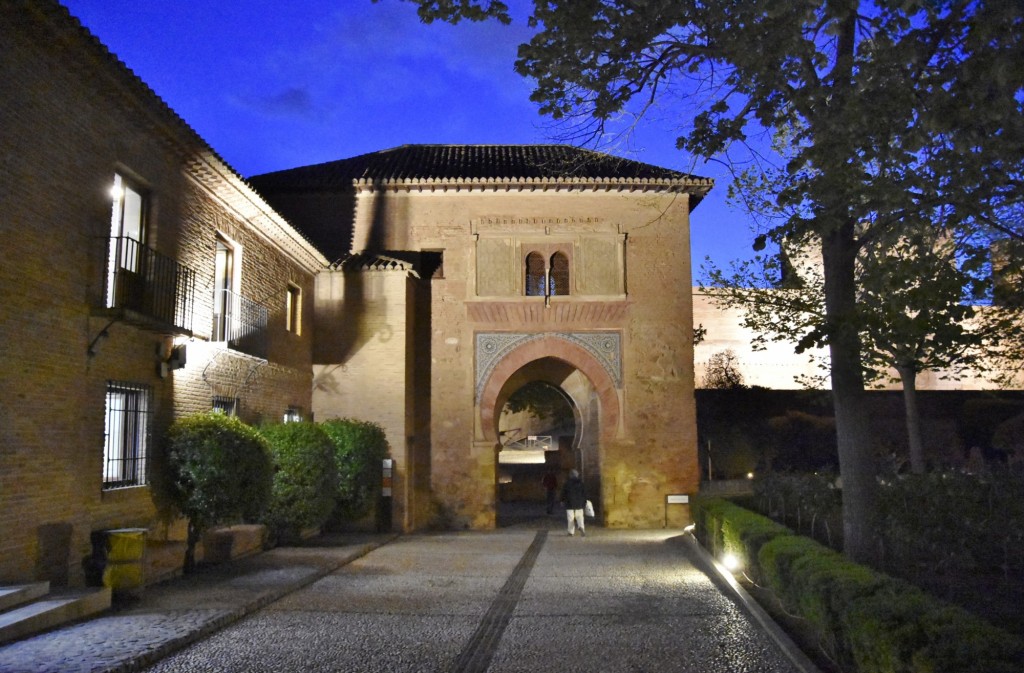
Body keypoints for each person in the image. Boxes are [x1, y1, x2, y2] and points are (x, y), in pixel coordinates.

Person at [560, 469, 587, 536]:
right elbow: (584, 493)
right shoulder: (581, 483)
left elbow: (563, 493)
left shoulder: (567, 483)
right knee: (580, 516)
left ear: (570, 475)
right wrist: (584, 502)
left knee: (570, 518)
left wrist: (562, 500)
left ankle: (571, 532)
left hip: (569, 503)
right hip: (579, 503)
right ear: (577, 475)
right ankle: (581, 527)